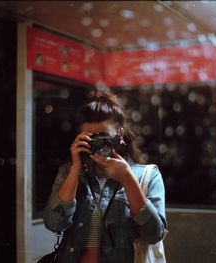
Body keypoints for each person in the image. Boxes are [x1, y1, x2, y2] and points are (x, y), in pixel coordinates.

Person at [43, 90, 167, 263]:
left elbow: (154, 234)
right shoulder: (69, 172)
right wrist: (75, 168)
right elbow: (53, 224)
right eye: (91, 138)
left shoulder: (146, 176)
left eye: (104, 136)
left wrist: (128, 179)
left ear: (120, 134)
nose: (98, 143)